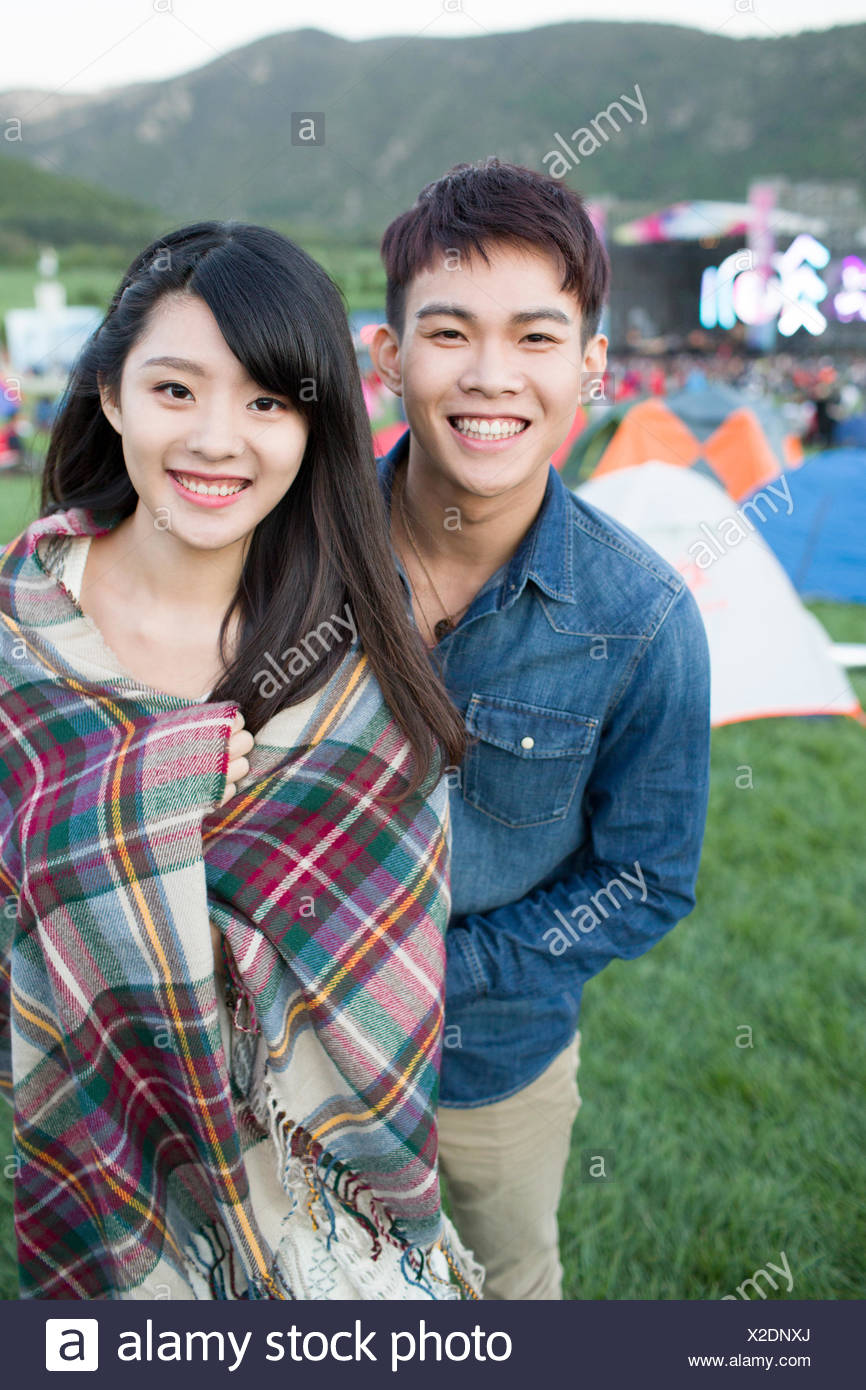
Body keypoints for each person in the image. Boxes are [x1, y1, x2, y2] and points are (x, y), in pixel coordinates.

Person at [0, 221, 482, 1301]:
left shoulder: (358, 660)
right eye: (176, 390)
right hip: (111, 1166)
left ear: (315, 425)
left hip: (324, 1208)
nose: (219, 440)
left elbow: (388, 944)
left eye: (268, 402)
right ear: (111, 395)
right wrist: (144, 800)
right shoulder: (20, 635)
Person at [369, 158, 712, 1299]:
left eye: (533, 336)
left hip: (495, 1069)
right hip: (280, 1058)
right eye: (449, 332)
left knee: (508, 1294)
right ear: (390, 357)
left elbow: (648, 876)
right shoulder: (291, 556)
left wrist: (430, 971)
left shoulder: (641, 618)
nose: (490, 375)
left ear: (591, 368)